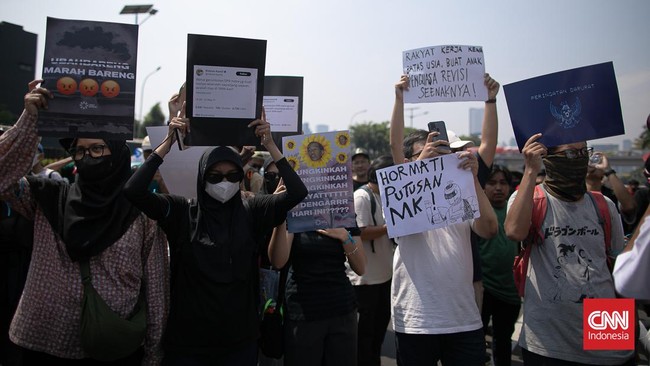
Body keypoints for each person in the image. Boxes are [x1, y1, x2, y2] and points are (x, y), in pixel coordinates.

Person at [0, 80, 169, 365]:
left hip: (112, 347)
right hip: (42, 342)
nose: (87, 158)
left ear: (116, 153)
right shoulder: (48, 198)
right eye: (80, 151)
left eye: (97, 149)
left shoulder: (141, 214)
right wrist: (29, 121)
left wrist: (153, 354)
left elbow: (156, 291)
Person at [123, 104, 307, 365]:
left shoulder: (252, 210)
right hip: (188, 345)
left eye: (233, 176)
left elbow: (298, 192)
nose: (225, 182)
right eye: (215, 175)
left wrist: (271, 145)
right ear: (202, 177)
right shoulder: (181, 212)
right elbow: (134, 190)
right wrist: (167, 144)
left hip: (239, 343)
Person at [388, 74, 498, 365]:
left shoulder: (461, 193)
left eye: (447, 151)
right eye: (434, 150)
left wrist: (473, 179)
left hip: (463, 319)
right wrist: (399, 100)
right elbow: (395, 148)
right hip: (416, 320)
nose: (443, 157)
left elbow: (489, 229)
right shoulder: (401, 192)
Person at [504, 134, 634, 365]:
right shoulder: (532, 199)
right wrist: (530, 171)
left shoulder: (603, 204)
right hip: (548, 340)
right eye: (571, 154)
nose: (579, 160)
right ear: (551, 158)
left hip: (605, 326)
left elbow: (617, 267)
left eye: (584, 153)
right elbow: (514, 231)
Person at [267, 220, 366, 366]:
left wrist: (345, 236)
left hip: (342, 310)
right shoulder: (294, 210)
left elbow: (361, 267)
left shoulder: (342, 207)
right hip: (303, 313)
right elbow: (277, 262)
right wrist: (281, 216)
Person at [347, 155, 394, 366]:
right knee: (365, 332)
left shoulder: (385, 195)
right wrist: (389, 227)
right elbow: (361, 231)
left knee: (380, 325)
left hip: (384, 276)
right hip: (365, 279)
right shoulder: (362, 197)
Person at [478, 165, 521, 366]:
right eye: (492, 182)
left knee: (503, 339)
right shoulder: (476, 210)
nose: (498, 188)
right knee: (476, 340)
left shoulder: (517, 209)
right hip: (482, 289)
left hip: (510, 290)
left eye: (503, 183)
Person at [586, 150, 636, 234]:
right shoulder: (576, 195)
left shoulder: (611, 197)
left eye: (596, 161)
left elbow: (630, 207)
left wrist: (608, 170)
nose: (592, 165)